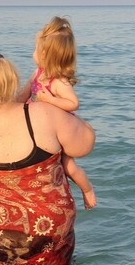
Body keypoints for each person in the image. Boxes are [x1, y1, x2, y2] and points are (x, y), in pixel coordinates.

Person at [0, 53, 95, 265]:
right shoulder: (45, 113)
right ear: (13, 81)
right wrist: (58, 105)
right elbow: (84, 146)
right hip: (49, 230)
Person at [16, 16, 97, 210]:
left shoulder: (59, 81)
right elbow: (22, 96)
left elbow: (73, 103)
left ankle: (87, 191)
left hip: (61, 133)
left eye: (35, 49)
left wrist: (50, 100)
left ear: (45, 54)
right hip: (43, 130)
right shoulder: (37, 73)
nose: (33, 53)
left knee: (69, 167)